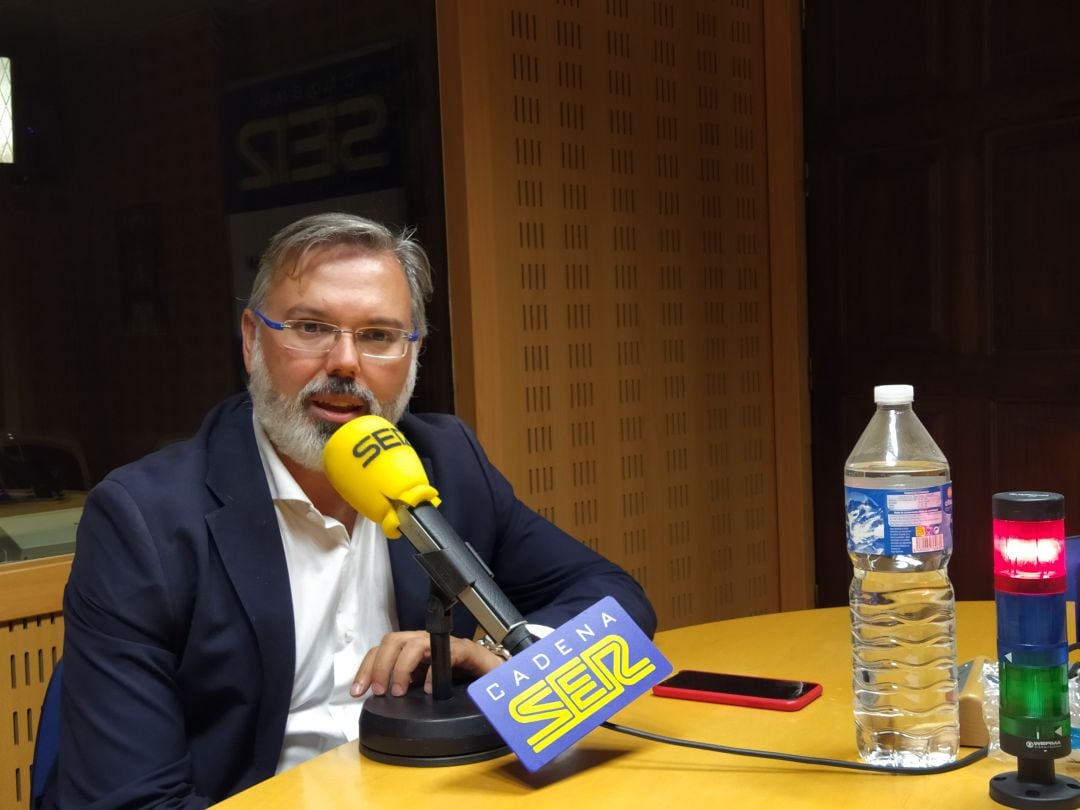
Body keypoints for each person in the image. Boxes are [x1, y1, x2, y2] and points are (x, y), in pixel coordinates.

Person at [44, 213, 656, 808]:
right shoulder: (145, 518)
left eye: (378, 336)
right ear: (253, 341)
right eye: (311, 328)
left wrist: (507, 662)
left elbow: (620, 611)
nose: (344, 363)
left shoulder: (445, 462)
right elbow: (130, 799)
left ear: (412, 356)